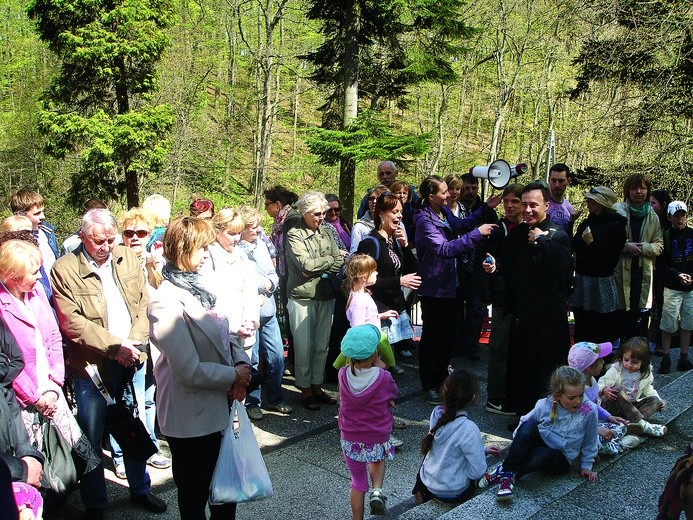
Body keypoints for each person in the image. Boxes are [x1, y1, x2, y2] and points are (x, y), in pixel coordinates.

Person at [50, 208, 166, 518]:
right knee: (91, 432)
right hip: (92, 366)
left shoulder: (126, 256)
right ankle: (95, 504)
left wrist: (135, 342)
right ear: (83, 237)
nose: (105, 246)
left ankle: (141, 488)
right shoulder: (64, 269)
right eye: (98, 241)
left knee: (134, 425)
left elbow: (142, 302)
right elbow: (72, 323)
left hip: (132, 356)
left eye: (110, 239)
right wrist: (115, 347)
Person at [148, 216, 252, 520]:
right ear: (182, 250)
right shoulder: (165, 301)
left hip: (218, 408)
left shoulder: (202, 288)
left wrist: (242, 363)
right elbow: (188, 370)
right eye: (202, 247)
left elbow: (225, 335)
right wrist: (234, 375)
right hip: (190, 417)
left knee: (225, 495)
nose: (207, 253)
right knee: (195, 498)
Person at [0, 239, 100, 487]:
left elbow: (54, 337)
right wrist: (35, 397)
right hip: (24, 399)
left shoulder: (35, 294)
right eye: (33, 272)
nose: (39, 277)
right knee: (38, 466)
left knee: (76, 455)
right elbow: (9, 360)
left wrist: (56, 382)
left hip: (51, 389)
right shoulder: (2, 305)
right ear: (13, 277)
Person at [484, 181, 573, 416]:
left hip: (549, 319)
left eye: (533, 205)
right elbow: (508, 265)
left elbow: (562, 264)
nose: (527, 210)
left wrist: (542, 240)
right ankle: (524, 415)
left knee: (547, 372)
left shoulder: (557, 234)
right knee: (522, 370)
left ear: (546, 205)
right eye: (524, 205)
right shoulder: (518, 234)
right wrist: (495, 267)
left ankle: (549, 417)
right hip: (522, 316)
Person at [414, 176, 499, 405]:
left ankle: (442, 380)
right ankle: (428, 384)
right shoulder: (424, 220)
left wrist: (486, 208)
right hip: (434, 288)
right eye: (443, 192)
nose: (449, 195)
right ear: (431, 196)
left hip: (451, 284)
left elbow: (461, 225)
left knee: (447, 337)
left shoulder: (444, 213)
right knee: (432, 337)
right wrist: (476, 235)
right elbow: (444, 248)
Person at [478, 366, 598, 501]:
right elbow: (524, 423)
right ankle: (508, 473)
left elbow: (590, 440)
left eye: (581, 395)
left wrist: (587, 465)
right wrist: (518, 448)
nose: (578, 401)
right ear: (557, 395)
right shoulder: (544, 404)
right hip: (540, 441)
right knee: (529, 425)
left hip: (561, 457)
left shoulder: (590, 411)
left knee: (541, 456)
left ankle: (505, 470)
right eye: (572, 398)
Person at [110, 208, 170, 478]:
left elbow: (162, 293)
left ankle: (151, 447)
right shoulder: (115, 262)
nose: (135, 238)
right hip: (129, 341)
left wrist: (152, 266)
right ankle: (122, 454)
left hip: (153, 341)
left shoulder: (153, 261)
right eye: (129, 233)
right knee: (123, 402)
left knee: (147, 399)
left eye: (141, 233)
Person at [285, 191, 344, 410]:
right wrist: (329, 261)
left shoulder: (326, 231)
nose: (322, 217)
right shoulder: (294, 235)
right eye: (317, 214)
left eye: (324, 213)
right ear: (304, 213)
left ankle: (317, 385)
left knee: (321, 346)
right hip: (302, 297)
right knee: (303, 346)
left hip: (326, 294)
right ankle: (305, 389)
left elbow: (339, 260)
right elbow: (305, 266)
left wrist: (325, 265)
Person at [413, 369, 500, 504]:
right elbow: (478, 471)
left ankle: (420, 490)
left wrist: (481, 449)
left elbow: (448, 448)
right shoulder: (469, 428)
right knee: (480, 478)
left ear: (444, 392)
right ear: (472, 398)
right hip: (453, 492)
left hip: (429, 482)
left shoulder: (436, 414)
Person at [337, 324, 398, 519]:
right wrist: (382, 366)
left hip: (350, 437)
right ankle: (377, 491)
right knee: (377, 460)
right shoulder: (383, 377)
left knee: (357, 483)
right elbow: (392, 393)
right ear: (375, 354)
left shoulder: (342, 375)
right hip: (377, 434)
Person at [237, 206, 292, 419]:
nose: (258, 230)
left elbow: (274, 272)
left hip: (267, 310)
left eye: (258, 225)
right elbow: (243, 278)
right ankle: (253, 402)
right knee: (252, 361)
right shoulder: (237, 250)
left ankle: (275, 399)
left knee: (276, 356)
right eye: (253, 227)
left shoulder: (261, 244)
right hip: (250, 313)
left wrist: (269, 283)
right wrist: (263, 283)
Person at [356, 193, 420, 360]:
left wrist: (405, 246)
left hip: (394, 308)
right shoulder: (371, 242)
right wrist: (399, 281)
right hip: (378, 311)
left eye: (400, 211)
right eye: (394, 211)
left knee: (387, 359)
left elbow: (414, 269)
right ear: (382, 213)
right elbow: (367, 281)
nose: (399, 215)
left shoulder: (394, 241)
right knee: (376, 360)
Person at [479, 183, 524, 415]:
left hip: (522, 298)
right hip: (502, 298)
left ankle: (512, 391)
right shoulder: (498, 229)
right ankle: (495, 396)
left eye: (514, 201)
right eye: (506, 201)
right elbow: (486, 261)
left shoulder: (528, 228)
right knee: (499, 347)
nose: (509, 206)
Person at [571, 186, 627, 344]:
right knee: (582, 325)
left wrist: (592, 244)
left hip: (601, 284)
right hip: (583, 280)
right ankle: (581, 362)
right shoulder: (588, 222)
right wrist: (571, 223)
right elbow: (572, 245)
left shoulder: (616, 226)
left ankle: (601, 364)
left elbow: (610, 260)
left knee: (600, 327)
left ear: (601, 202)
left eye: (591, 199)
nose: (587, 202)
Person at [449, 173, 496, 361]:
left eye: (473, 188)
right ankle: (457, 345)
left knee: (476, 309)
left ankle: (472, 347)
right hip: (458, 267)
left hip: (477, 267)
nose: (470, 192)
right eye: (466, 188)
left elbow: (495, 232)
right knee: (457, 309)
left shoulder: (486, 209)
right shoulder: (454, 211)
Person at [614, 174, 664, 341]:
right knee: (621, 319)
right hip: (621, 272)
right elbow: (608, 239)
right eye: (634, 188)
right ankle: (620, 360)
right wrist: (626, 246)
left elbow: (659, 245)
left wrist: (643, 248)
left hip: (643, 273)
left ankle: (637, 360)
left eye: (642, 188)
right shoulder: (617, 210)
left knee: (640, 320)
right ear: (627, 191)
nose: (638, 192)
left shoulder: (652, 216)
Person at [598, 337, 668, 448]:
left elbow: (648, 389)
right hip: (613, 407)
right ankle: (642, 424)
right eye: (626, 360)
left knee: (655, 400)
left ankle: (631, 425)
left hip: (631, 407)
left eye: (635, 362)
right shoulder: (616, 369)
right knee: (619, 390)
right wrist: (603, 390)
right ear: (622, 358)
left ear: (643, 362)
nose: (629, 364)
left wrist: (659, 401)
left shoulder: (645, 373)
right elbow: (600, 384)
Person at [567, 342, 633, 453]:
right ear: (589, 368)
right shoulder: (577, 391)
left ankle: (611, 443)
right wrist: (596, 430)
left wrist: (608, 417)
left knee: (621, 426)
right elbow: (576, 421)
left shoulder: (592, 380)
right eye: (600, 360)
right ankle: (618, 445)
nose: (603, 361)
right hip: (579, 430)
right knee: (598, 442)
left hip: (594, 422)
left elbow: (593, 406)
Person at [658, 201, 693, 374]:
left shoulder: (692, 234)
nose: (679, 218)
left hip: (691, 288)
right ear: (669, 217)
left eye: (682, 215)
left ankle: (684, 356)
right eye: (676, 215)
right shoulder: (665, 235)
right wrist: (677, 275)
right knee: (668, 323)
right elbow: (661, 264)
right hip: (671, 287)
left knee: (688, 322)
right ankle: (666, 356)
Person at [10, 189, 59, 273]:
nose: (42, 216)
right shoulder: (13, 242)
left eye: (42, 211)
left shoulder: (47, 233)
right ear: (20, 215)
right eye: (36, 213)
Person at [649, 189, 672, 354]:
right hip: (651, 272)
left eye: (653, 203)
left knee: (661, 310)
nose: (650, 206)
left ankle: (657, 344)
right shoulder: (650, 221)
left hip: (664, 274)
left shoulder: (669, 228)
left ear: (663, 205)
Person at [355, 161, 419, 220]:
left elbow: (419, 212)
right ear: (377, 176)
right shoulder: (371, 196)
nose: (385, 177)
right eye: (381, 174)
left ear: (396, 173)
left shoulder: (408, 191)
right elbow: (361, 217)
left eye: (388, 173)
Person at [350, 185, 386, 255]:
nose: (374, 201)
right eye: (371, 199)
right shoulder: (359, 227)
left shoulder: (395, 224)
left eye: (378, 198)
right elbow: (353, 254)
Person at [546, 163, 580, 233]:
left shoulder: (569, 208)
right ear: (549, 180)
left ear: (568, 181)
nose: (557, 185)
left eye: (561, 181)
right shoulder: (541, 203)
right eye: (553, 180)